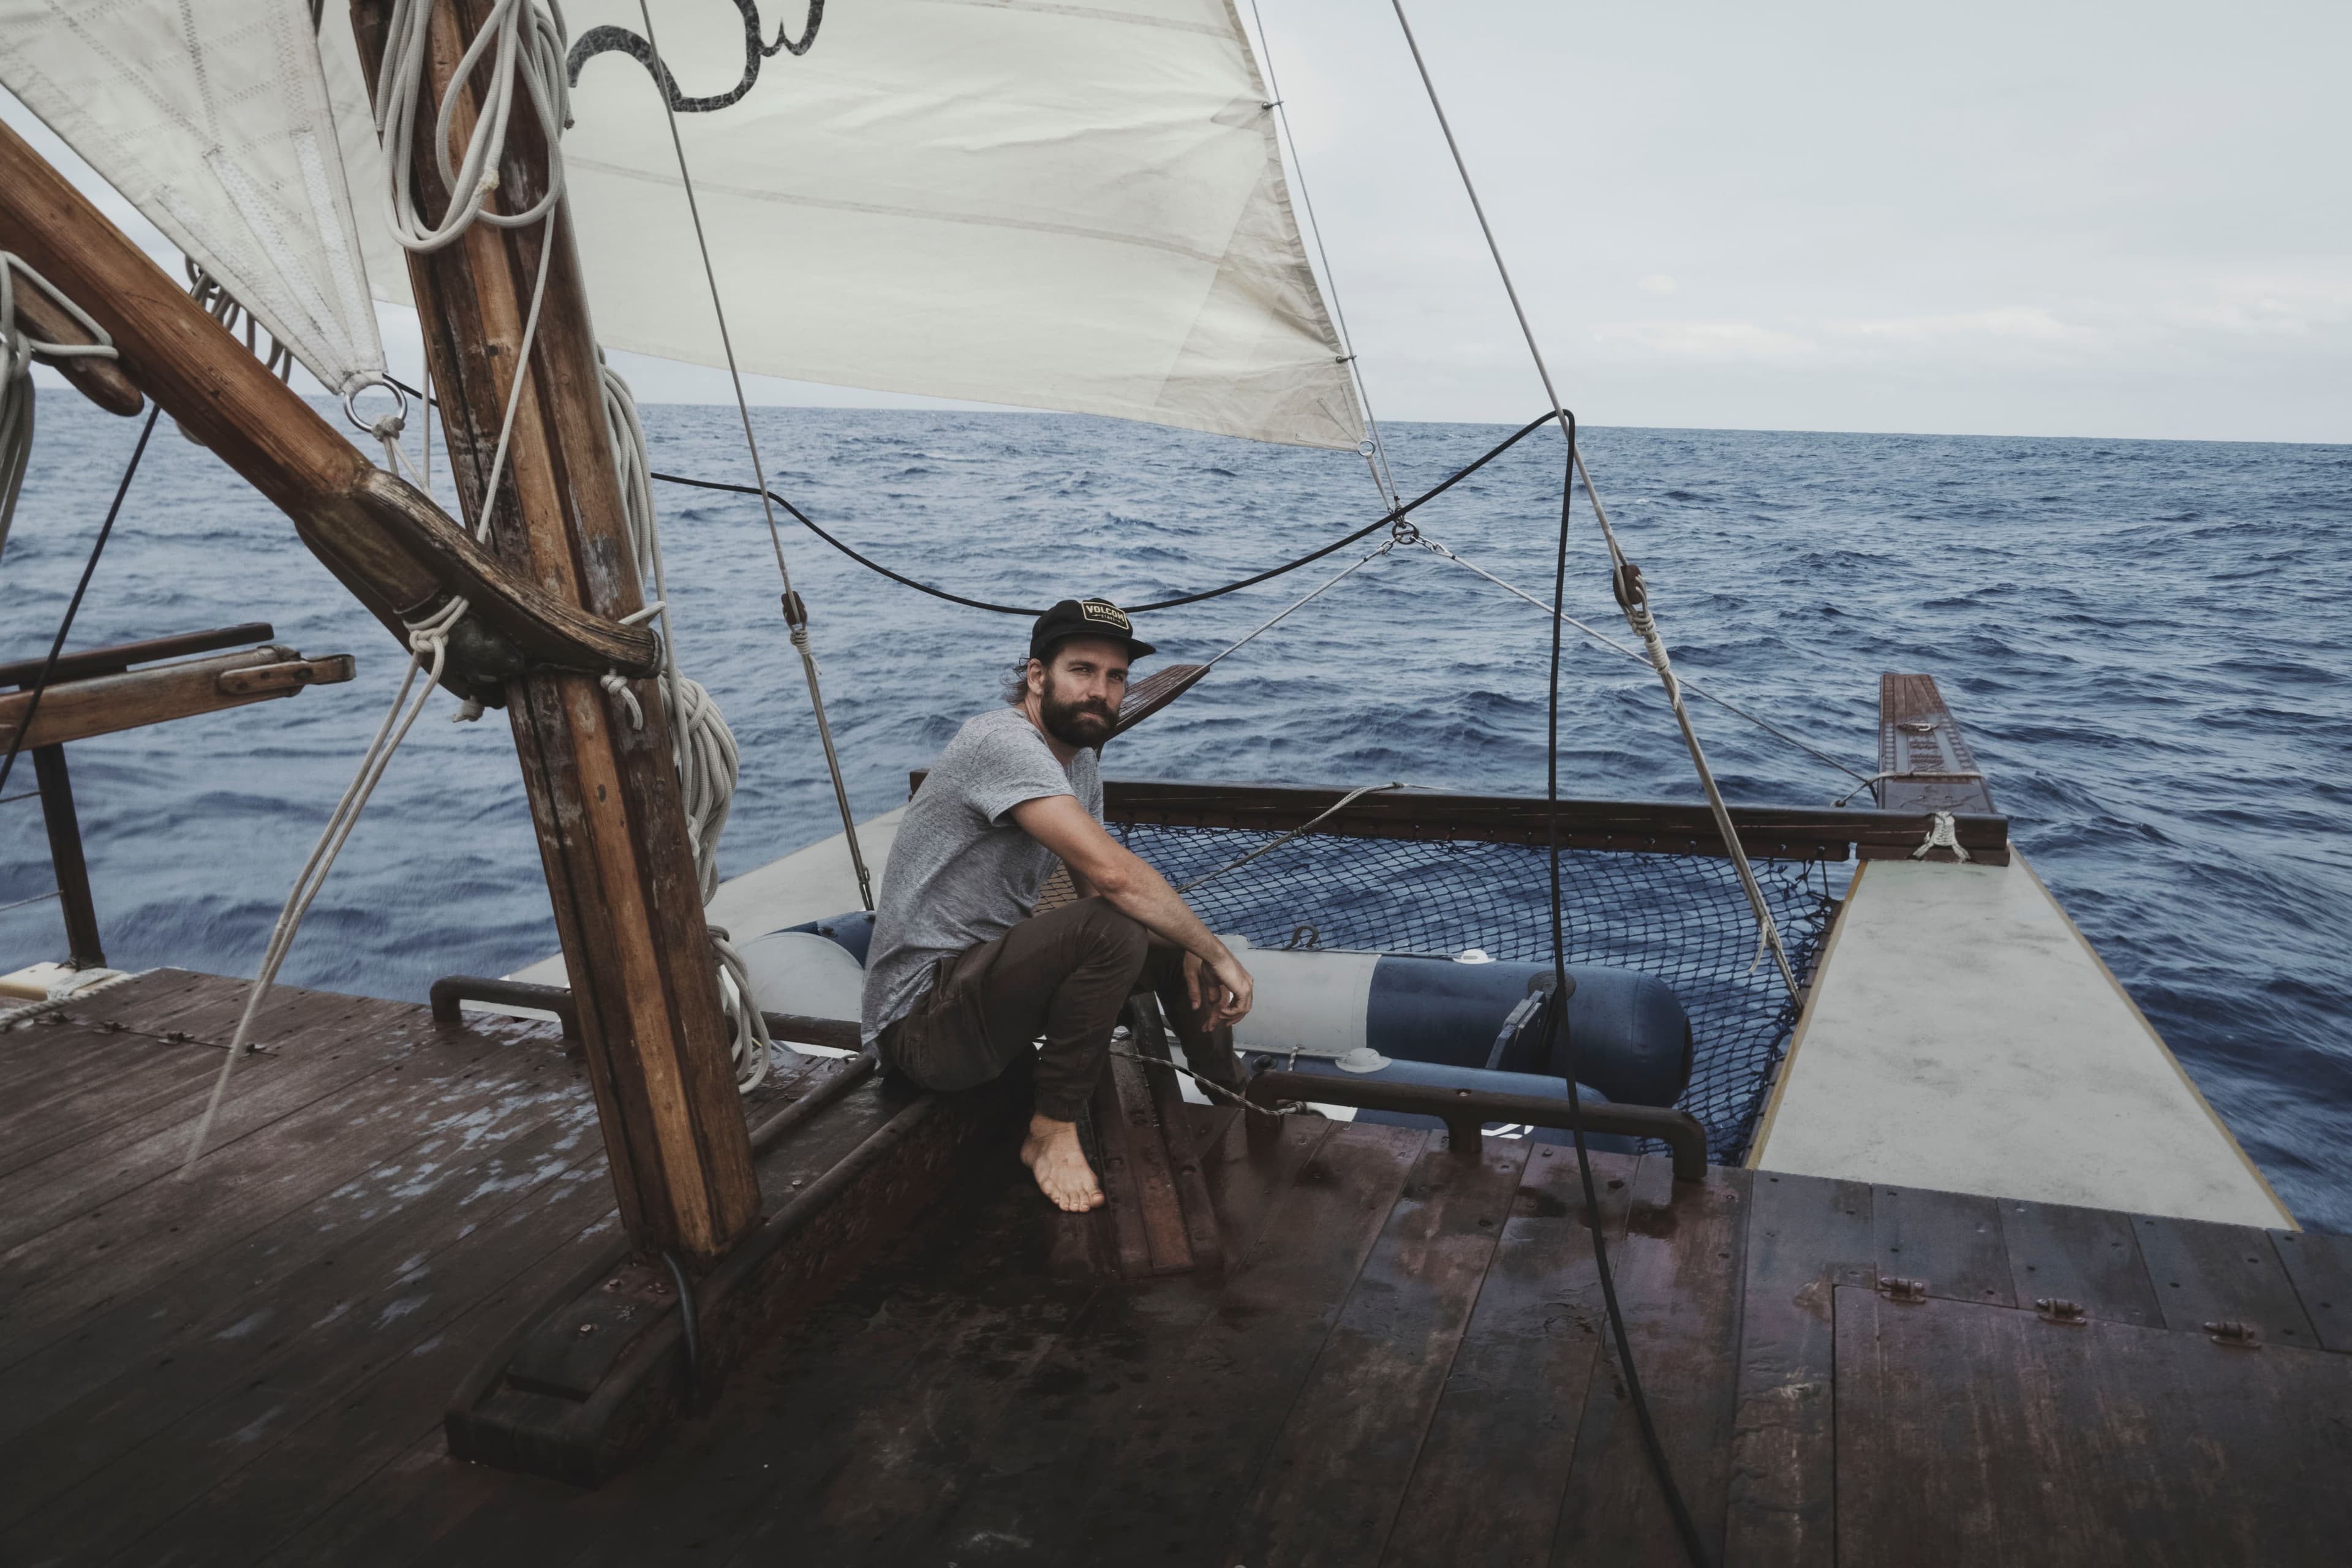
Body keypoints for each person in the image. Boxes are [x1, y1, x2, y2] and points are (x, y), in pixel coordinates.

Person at [860, 597, 1256, 1213]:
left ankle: (1236, 1096)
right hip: (921, 1024)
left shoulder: (1080, 762)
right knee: (1121, 932)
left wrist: (1189, 946)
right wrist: (1218, 951)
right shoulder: (1000, 741)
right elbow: (1113, 877)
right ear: (1037, 676)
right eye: (1082, 670)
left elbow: (1095, 890)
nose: (1101, 691)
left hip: (982, 996)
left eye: (1116, 676)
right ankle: (1051, 1129)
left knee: (1167, 941)